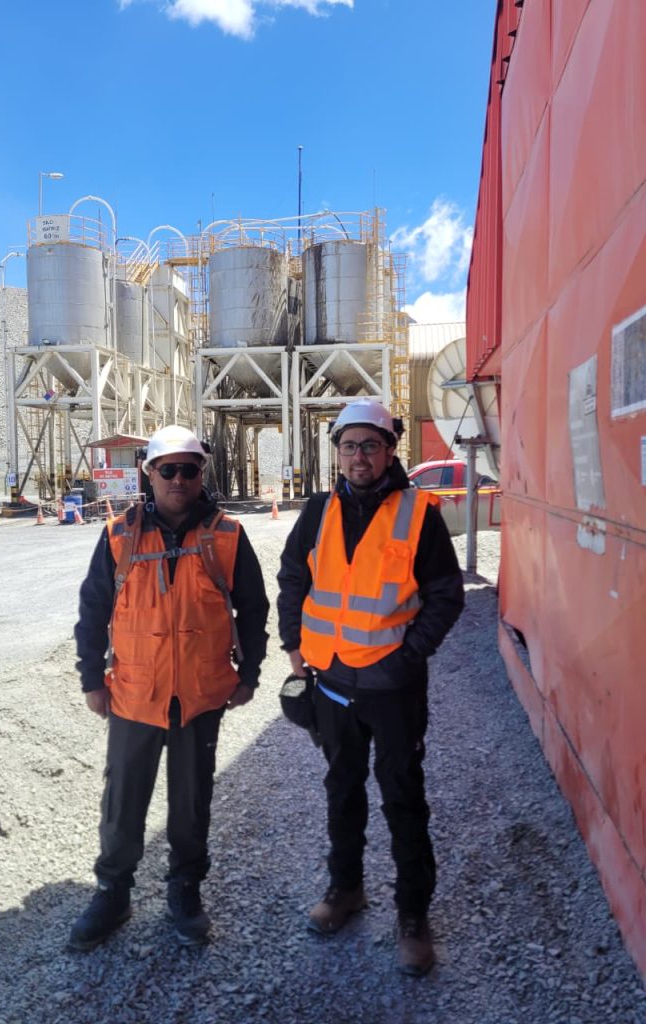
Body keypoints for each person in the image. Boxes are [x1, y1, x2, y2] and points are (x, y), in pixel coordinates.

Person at [277, 399, 464, 976]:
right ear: (337, 452)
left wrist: (409, 656)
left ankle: (413, 916)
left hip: (392, 689)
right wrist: (294, 648)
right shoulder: (317, 511)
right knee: (342, 790)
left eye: (370, 446)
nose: (359, 456)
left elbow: (446, 595)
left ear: (389, 451)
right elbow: (292, 578)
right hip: (332, 682)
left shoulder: (419, 514)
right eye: (349, 446)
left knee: (403, 798)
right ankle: (346, 889)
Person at [69, 425, 269, 951]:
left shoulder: (227, 535)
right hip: (134, 694)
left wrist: (250, 674)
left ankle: (185, 890)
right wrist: (91, 679)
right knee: (123, 802)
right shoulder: (118, 536)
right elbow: (93, 610)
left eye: (189, 469)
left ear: (201, 473)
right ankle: (113, 893)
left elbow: (253, 608)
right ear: (149, 474)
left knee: (191, 802)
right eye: (168, 470)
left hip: (201, 696)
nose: (179, 479)